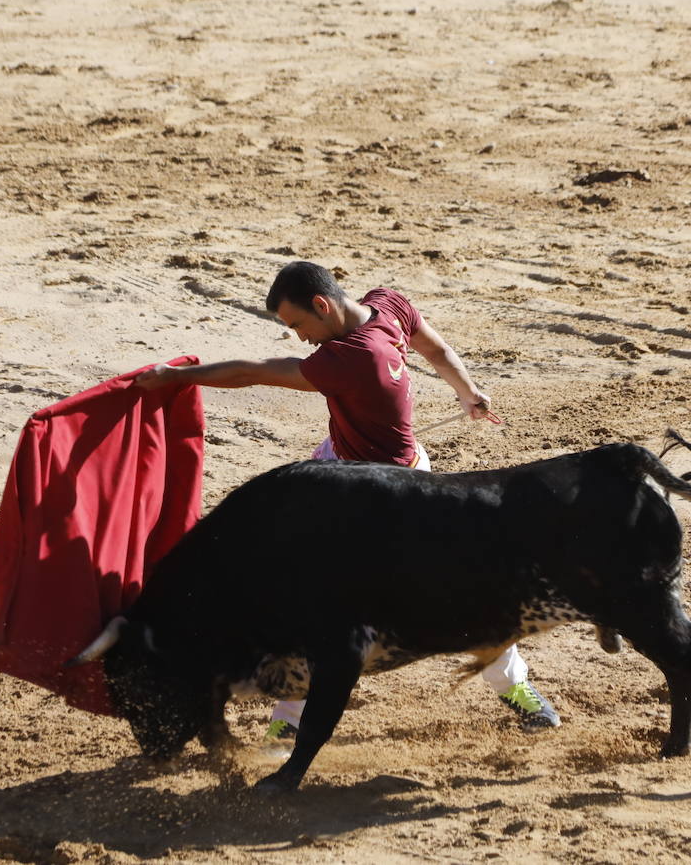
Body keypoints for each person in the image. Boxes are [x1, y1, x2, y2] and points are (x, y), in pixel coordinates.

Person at [136, 261, 560, 737]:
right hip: (352, 471)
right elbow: (435, 349)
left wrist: (174, 377)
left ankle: (510, 688)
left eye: (298, 325)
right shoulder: (387, 307)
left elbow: (249, 373)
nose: (300, 338)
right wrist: (468, 391)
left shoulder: (349, 358)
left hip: (389, 500)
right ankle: (290, 718)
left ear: (323, 305)